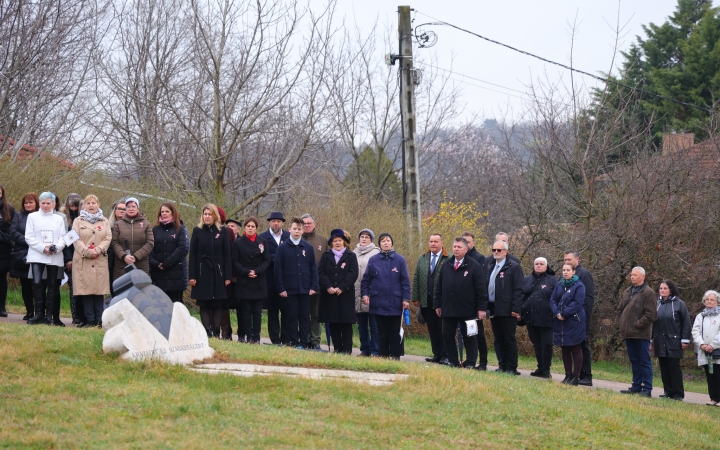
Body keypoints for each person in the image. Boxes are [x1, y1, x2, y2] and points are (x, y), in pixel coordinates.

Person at [434, 237, 488, 368]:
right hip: (448, 308)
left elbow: (481, 289)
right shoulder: (446, 265)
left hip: (468, 310)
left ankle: (470, 363)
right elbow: (439, 286)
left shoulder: (474, 266)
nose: (456, 249)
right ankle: (453, 361)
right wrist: (437, 304)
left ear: (466, 249)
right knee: (447, 336)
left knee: (470, 337)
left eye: (459, 247)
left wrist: (481, 308)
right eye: (454, 247)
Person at [361, 233, 411, 359]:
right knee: (381, 331)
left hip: (395, 301)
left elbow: (405, 281)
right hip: (378, 301)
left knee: (394, 330)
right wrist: (365, 295)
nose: (386, 243)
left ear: (392, 243)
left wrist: (406, 299)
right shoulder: (373, 260)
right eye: (383, 241)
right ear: (380, 244)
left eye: (388, 240)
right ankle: (382, 355)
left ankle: (395, 355)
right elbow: (366, 280)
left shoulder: (400, 260)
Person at [274, 217, 319, 348]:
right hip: (289, 290)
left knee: (305, 317)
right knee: (291, 317)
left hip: (305, 289)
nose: (297, 231)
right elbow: (278, 270)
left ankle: (304, 343)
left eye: (299, 229)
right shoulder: (282, 248)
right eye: (294, 229)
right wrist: (281, 288)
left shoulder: (308, 248)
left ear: (302, 230)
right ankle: (294, 342)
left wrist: (313, 286)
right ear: (289, 230)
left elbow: (313, 268)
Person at [189, 204, 232, 337]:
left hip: (218, 271)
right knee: (204, 303)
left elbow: (227, 255)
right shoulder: (197, 230)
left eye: (209, 214)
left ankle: (217, 331)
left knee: (217, 303)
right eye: (205, 214)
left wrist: (227, 276)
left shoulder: (223, 231)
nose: (207, 217)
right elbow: (193, 255)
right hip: (202, 270)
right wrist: (192, 275)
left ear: (215, 216)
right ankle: (207, 331)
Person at [25, 192, 68, 325]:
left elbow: (63, 237)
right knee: (37, 283)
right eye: (43, 203)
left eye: (48, 203)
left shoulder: (59, 219)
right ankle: (38, 314)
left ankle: (49, 315)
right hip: (37, 254)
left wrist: (56, 247)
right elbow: (29, 236)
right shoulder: (32, 217)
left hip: (54, 256)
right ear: (39, 203)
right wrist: (43, 248)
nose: (45, 205)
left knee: (52, 285)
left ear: (53, 204)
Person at [71, 195, 112, 327]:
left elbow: (108, 237)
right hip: (84, 260)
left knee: (98, 291)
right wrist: (87, 251)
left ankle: (99, 320)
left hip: (99, 259)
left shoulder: (105, 221)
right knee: (86, 290)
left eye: (93, 203)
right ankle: (89, 320)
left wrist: (98, 250)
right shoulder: (78, 221)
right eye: (88, 203)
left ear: (98, 204)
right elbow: (74, 238)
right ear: (84, 205)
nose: (91, 205)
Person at [318, 229, 359, 354]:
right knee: (333, 323)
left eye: (340, 240)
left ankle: (347, 349)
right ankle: (337, 348)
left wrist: (342, 287)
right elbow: (321, 272)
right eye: (335, 241)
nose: (337, 243)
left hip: (345, 295)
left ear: (344, 242)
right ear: (331, 243)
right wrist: (328, 287)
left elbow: (353, 274)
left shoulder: (351, 256)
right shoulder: (326, 255)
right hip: (329, 295)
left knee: (345, 323)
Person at [486, 240, 524, 374]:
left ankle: (511, 367)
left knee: (509, 339)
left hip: (508, 309)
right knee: (498, 339)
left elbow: (519, 289)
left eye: (499, 250)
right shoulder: (490, 265)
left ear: (506, 252)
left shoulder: (513, 267)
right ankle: (502, 365)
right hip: (493, 308)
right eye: (494, 250)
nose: (496, 252)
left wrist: (516, 308)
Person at [618, 266, 657, 397]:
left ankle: (647, 388)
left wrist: (637, 324)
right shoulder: (627, 291)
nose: (632, 277)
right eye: (631, 275)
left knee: (644, 361)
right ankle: (636, 386)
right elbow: (621, 309)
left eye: (635, 275)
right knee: (634, 360)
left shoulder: (648, 292)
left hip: (641, 334)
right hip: (628, 333)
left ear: (643, 276)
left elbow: (651, 314)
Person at [411, 234, 450, 365]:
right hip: (426, 300)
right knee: (432, 328)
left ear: (442, 243)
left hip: (442, 301)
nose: (433, 244)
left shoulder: (448, 258)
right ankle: (437, 354)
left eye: (436, 241)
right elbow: (416, 277)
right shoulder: (422, 258)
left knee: (443, 329)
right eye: (431, 241)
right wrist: (415, 297)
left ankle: (446, 355)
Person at [232, 216, 271, 344]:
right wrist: (246, 272)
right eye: (248, 226)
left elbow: (267, 260)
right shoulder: (238, 243)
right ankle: (249, 336)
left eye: (253, 226)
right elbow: (235, 261)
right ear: (245, 227)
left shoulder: (262, 242)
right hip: (244, 281)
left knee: (257, 312)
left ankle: (257, 337)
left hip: (258, 281)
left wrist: (258, 271)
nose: (250, 228)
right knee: (246, 311)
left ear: (256, 228)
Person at [652, 280, 691, 401]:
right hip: (660, 341)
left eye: (665, 288)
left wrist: (685, 340)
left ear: (671, 290)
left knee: (674, 367)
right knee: (663, 367)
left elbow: (686, 323)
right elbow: (653, 323)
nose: (662, 290)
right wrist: (651, 340)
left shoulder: (679, 304)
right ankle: (667, 391)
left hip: (674, 341)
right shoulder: (657, 303)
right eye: (660, 288)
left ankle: (678, 393)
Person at [550, 263, 586, 385]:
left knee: (575, 348)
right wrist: (556, 312)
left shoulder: (579, 285)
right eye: (564, 270)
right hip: (560, 321)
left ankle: (576, 376)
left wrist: (564, 314)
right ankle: (568, 375)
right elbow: (553, 299)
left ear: (574, 271)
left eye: (568, 270)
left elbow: (577, 303)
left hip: (574, 321)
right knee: (564, 348)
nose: (565, 272)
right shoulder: (559, 284)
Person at [522, 257, 557, 378]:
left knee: (547, 344)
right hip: (531, 317)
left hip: (547, 318)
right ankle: (540, 367)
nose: (538, 266)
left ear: (546, 267)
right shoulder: (527, 279)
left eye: (541, 264)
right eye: (536, 264)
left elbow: (557, 298)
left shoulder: (552, 280)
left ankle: (546, 369)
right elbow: (521, 295)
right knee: (536, 343)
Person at [564, 250, 595, 386]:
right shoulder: (565, 276)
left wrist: (585, 317)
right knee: (570, 346)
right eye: (565, 260)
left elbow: (588, 298)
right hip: (568, 317)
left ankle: (586, 375)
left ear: (577, 260)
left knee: (582, 345)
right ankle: (572, 374)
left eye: (569, 259)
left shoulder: (584, 274)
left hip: (580, 317)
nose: (567, 262)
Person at [259, 212, 290, 345]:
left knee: (286, 310)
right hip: (269, 279)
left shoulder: (289, 237)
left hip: (286, 279)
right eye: (273, 221)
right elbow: (261, 257)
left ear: (282, 223)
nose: (275, 223)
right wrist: (277, 257)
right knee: (272, 310)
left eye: (278, 221)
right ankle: (275, 339)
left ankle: (285, 338)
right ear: (269, 223)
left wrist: (275, 257)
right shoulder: (262, 237)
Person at [149, 202, 188, 303]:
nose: (164, 213)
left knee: (176, 305)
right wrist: (157, 264)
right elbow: (150, 248)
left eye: (167, 211)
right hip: (158, 274)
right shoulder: (155, 230)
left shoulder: (180, 229)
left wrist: (166, 264)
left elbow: (182, 248)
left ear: (172, 212)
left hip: (176, 273)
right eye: (162, 211)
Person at [10, 193, 39, 320]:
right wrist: (28, 241)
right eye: (26, 203)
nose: (28, 205)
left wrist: (35, 243)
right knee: (26, 284)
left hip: (38, 253)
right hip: (22, 254)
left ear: (36, 203)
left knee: (38, 284)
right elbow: (13, 231)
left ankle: (39, 311)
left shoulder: (41, 216)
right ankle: (29, 311)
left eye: (31, 202)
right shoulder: (18, 215)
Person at [463, 231, 489, 370]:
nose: (466, 244)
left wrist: (481, 305)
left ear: (473, 243)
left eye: (468, 242)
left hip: (475, 303)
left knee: (478, 333)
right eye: (464, 242)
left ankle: (483, 361)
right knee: (467, 334)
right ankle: (470, 359)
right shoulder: (459, 258)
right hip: (463, 304)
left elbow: (482, 283)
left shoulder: (479, 258)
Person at [110, 197, 154, 281]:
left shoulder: (146, 224)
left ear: (138, 208)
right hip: (121, 266)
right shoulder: (118, 224)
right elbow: (114, 243)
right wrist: (124, 256)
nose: (131, 209)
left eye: (133, 206)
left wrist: (136, 256)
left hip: (141, 265)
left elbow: (150, 243)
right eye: (128, 206)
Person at [301, 214, 327, 350]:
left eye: (309, 223)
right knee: (302, 313)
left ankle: (315, 340)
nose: (306, 225)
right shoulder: (294, 239)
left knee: (316, 314)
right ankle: (303, 339)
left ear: (314, 224)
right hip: (300, 285)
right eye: (303, 223)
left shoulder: (323, 240)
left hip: (317, 285)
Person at [353, 228, 380, 357]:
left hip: (371, 293)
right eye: (362, 236)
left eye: (367, 237)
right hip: (356, 293)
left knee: (374, 324)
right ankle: (365, 349)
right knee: (361, 325)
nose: (364, 239)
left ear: (371, 239)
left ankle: (375, 350)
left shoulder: (376, 253)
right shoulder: (354, 253)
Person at [692, 290, 720, 406]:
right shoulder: (700, 316)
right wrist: (702, 344)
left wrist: (713, 345)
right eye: (707, 299)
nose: (709, 301)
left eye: (712, 299)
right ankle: (713, 398)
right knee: (710, 374)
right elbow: (695, 331)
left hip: (717, 350)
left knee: (719, 374)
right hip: (705, 352)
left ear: (717, 302)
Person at [62, 193, 83, 324]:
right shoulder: (64, 218)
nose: (73, 208)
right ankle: (75, 315)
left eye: (76, 205)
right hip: (70, 258)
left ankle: (84, 315)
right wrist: (68, 259)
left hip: (85, 258)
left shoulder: (83, 218)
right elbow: (67, 242)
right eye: (71, 205)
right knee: (73, 287)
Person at [225, 217, 245, 341]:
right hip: (226, 281)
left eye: (232, 226)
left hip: (240, 281)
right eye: (228, 226)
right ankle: (227, 332)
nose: (230, 229)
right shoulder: (223, 241)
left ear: (238, 229)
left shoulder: (242, 242)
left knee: (241, 308)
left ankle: (242, 334)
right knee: (225, 307)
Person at [0, 184, 15, 317]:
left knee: (2, 279)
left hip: (3, 249)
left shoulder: (8, 208)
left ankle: (1, 306)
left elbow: (13, 229)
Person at [107, 198, 126, 295]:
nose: (122, 211)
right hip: (111, 264)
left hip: (124, 262)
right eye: (119, 208)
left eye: (124, 209)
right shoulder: (108, 227)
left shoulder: (130, 227)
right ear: (115, 210)